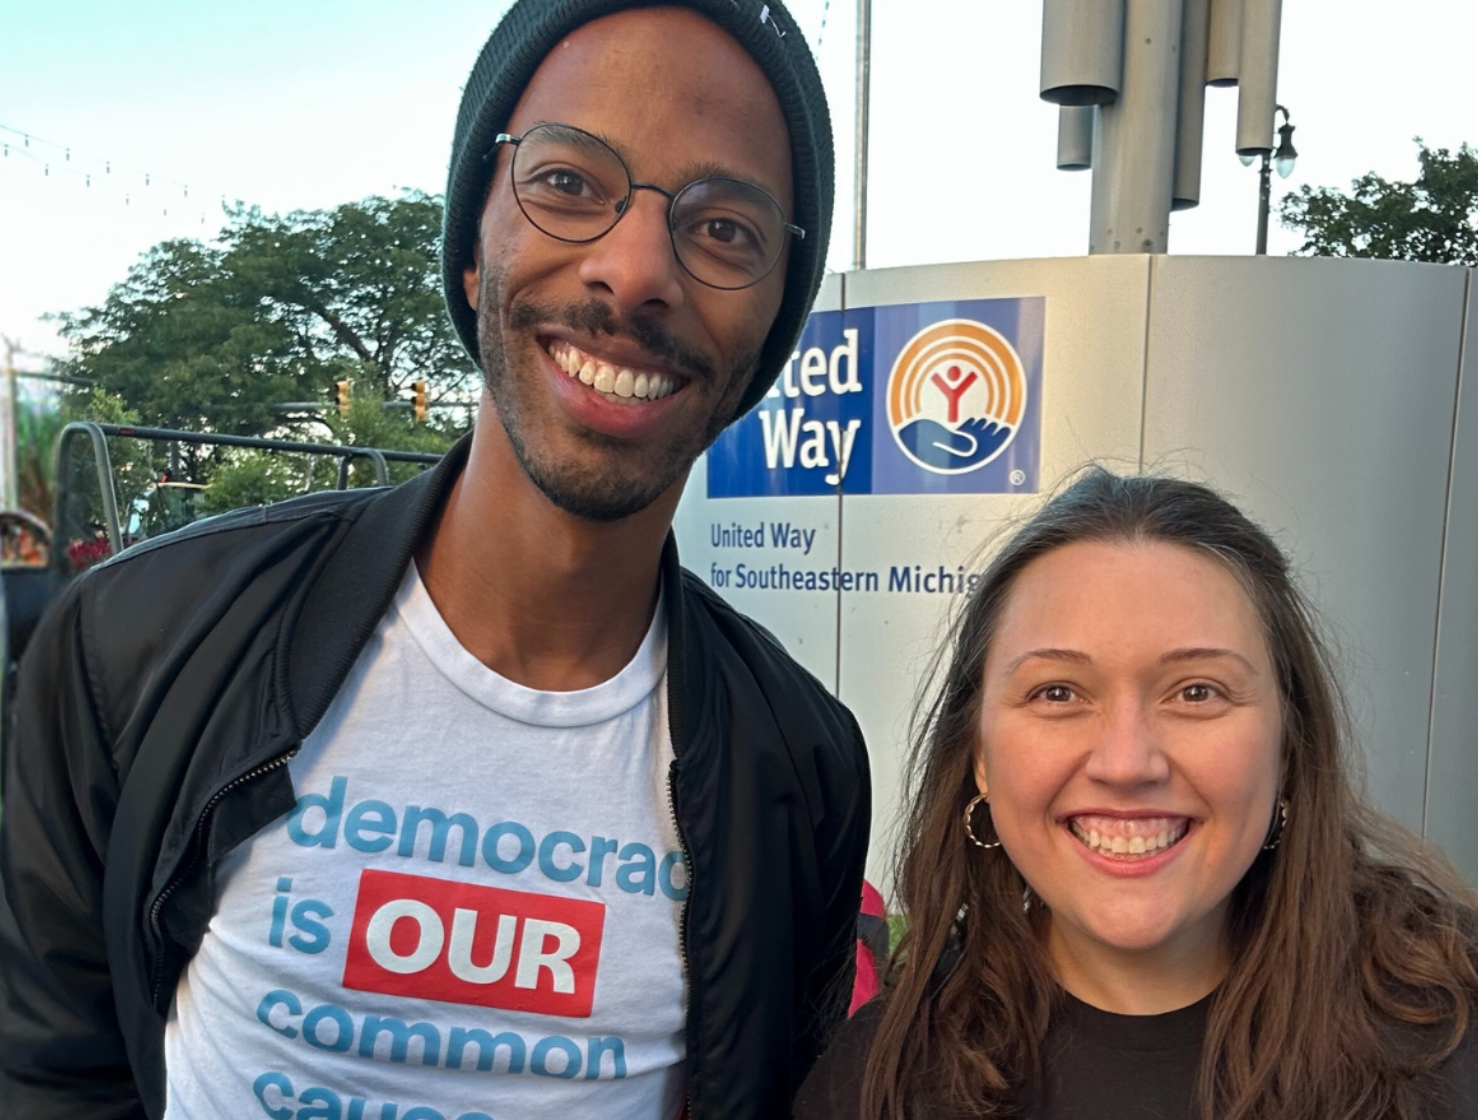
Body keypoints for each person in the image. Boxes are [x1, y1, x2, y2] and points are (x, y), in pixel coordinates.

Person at [0, 3, 869, 1119]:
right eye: (566, 182)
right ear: (471, 249)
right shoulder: (136, 644)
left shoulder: (799, 767)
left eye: (725, 231)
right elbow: (48, 1076)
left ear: (767, 340)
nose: (636, 267)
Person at [794, 469, 1478, 1120]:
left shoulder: (1474, 1010)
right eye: (1057, 693)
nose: (1126, 761)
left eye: (1197, 692)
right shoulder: (885, 1083)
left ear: (1289, 744)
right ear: (980, 756)